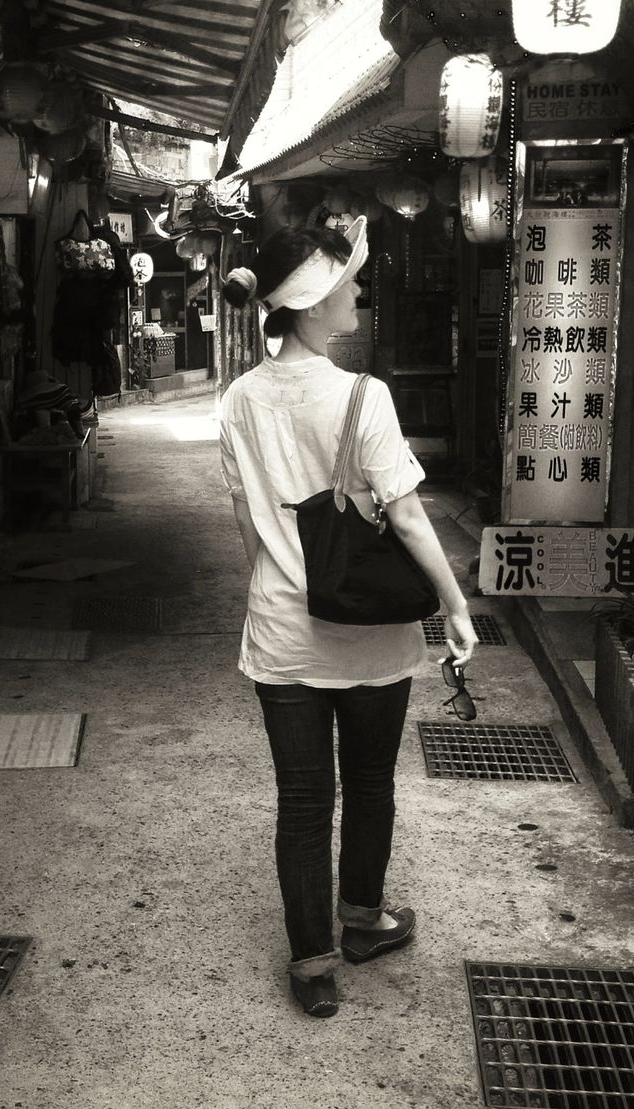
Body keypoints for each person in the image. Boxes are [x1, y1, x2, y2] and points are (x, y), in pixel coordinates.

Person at [218, 217, 478, 1019]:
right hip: (368, 637)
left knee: (303, 802)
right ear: (313, 302)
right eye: (348, 282)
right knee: (369, 785)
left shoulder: (238, 399)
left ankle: (311, 966)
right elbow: (403, 517)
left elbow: (244, 520)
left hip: (281, 631)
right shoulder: (366, 396)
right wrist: (457, 604)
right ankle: (362, 920)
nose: (358, 290)